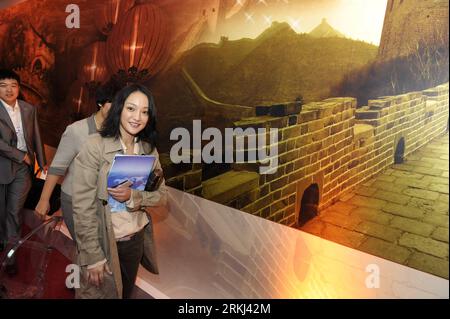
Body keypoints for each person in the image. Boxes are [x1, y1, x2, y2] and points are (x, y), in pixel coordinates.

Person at [72, 83, 167, 299]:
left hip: (135, 240)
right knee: (96, 295)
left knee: (124, 293)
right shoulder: (95, 145)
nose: (137, 117)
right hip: (104, 240)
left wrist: (133, 196)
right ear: (119, 109)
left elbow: (162, 196)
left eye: (145, 111)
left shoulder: (148, 150)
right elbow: (82, 205)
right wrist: (93, 256)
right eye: (131, 108)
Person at [35, 81, 120, 240]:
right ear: (101, 102)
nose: (118, 109)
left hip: (103, 202)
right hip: (75, 200)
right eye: (113, 103)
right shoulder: (77, 130)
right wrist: (44, 199)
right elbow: (57, 167)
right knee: (88, 249)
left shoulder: (119, 133)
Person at [0, 69, 46, 274]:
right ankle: (3, 240)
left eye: (13, 85)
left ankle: (11, 257)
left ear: (19, 88)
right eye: (3, 85)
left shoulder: (28, 108)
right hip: (1, 166)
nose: (9, 90)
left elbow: (36, 135)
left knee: (14, 212)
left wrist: (42, 162)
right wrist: (20, 155)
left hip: (22, 170)